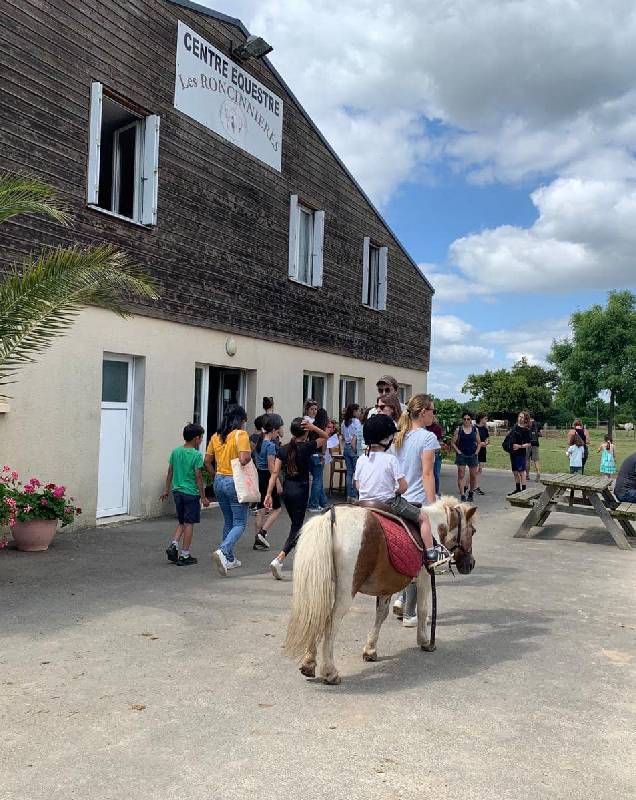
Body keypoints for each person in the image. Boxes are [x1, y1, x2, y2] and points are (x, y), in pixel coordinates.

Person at [391, 395, 450, 626]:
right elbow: (427, 474)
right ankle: (410, 611)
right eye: (432, 410)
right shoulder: (428, 438)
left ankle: (399, 597)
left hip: (396, 499)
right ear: (423, 412)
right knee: (422, 558)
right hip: (416, 500)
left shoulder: (399, 436)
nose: (433, 415)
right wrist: (433, 503)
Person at [354, 414, 441, 571]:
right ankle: (430, 553)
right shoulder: (390, 459)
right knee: (423, 518)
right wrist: (394, 490)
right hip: (388, 503)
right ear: (386, 439)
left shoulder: (361, 459)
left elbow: (357, 484)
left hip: (364, 503)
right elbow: (403, 487)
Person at [266, 417, 328, 579]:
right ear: (305, 432)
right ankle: (280, 558)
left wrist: (268, 494)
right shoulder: (307, 447)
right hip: (301, 490)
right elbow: (325, 437)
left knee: (297, 526)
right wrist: (313, 426)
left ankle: (301, 559)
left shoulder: (283, 449)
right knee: (297, 528)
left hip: (287, 490)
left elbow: (274, 473)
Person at [205, 404, 252, 577]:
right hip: (235, 481)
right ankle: (223, 550)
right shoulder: (241, 435)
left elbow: (207, 461)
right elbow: (244, 458)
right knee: (240, 523)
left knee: (229, 521)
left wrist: (216, 475)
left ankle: (230, 558)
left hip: (219, 480)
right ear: (239, 420)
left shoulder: (216, 437)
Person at [161, 423, 210, 566]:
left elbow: (170, 471)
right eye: (201, 438)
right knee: (189, 523)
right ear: (196, 438)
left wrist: (166, 490)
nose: (201, 440)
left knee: (182, 521)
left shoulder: (176, 452)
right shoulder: (196, 455)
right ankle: (185, 554)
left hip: (177, 492)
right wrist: (203, 496)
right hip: (190, 493)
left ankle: (174, 544)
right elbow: (198, 477)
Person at [253, 416, 284, 551]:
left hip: (259, 475)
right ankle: (262, 533)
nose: (278, 434)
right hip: (268, 477)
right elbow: (272, 467)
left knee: (261, 509)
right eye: (277, 431)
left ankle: (257, 539)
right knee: (277, 508)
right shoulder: (270, 445)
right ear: (272, 430)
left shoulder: (259, 443)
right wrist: (277, 482)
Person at [452, 411, 481, 502]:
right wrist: (458, 451)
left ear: (471, 420)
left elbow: (479, 443)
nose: (466, 421)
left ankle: (471, 493)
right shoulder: (459, 430)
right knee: (461, 475)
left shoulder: (475, 430)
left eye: (468, 419)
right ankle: (462, 494)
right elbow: (453, 443)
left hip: (472, 455)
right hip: (462, 455)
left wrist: (476, 452)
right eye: (464, 419)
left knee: (473, 476)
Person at [307, 407, 331, 512]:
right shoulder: (323, 428)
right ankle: (314, 504)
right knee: (317, 480)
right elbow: (324, 442)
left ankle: (322, 502)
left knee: (318, 479)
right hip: (318, 455)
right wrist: (323, 455)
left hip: (310, 454)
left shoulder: (313, 426)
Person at [342, 403, 363, 502]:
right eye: (358, 411)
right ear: (354, 412)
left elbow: (343, 436)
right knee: (356, 473)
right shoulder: (356, 422)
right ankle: (354, 495)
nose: (359, 413)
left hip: (346, 447)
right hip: (353, 447)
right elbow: (356, 436)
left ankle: (349, 495)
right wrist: (355, 449)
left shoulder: (344, 422)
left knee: (349, 472)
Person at [508, 411, 531, 494]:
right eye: (519, 416)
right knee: (515, 471)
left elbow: (528, 444)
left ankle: (524, 490)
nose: (520, 418)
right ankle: (518, 488)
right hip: (513, 452)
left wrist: (520, 446)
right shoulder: (514, 427)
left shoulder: (526, 430)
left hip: (521, 453)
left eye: (522, 417)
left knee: (521, 471)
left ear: (525, 419)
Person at [427, 415, 444, 499]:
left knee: (435, 474)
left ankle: (436, 492)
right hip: (427, 452)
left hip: (436, 453)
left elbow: (438, 439)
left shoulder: (437, 428)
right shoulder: (424, 427)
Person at [474, 412, 489, 496]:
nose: (486, 420)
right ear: (481, 419)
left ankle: (472, 485)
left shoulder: (485, 428)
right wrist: (479, 444)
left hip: (483, 450)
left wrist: (486, 442)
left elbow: (487, 438)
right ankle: (474, 487)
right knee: (474, 470)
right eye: (485, 418)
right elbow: (471, 440)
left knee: (480, 469)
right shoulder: (474, 428)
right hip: (476, 450)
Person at [525, 413, 542, 482]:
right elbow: (540, 434)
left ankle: (527, 475)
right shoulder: (537, 424)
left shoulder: (526, 424)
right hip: (535, 444)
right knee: (536, 460)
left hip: (527, 444)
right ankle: (538, 473)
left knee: (527, 459)